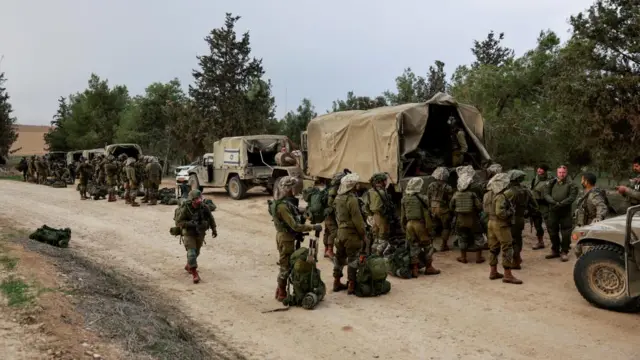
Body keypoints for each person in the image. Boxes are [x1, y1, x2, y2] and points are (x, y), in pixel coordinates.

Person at [270, 176, 318, 301]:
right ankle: (281, 292)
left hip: (287, 237)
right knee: (285, 266)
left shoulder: (284, 203)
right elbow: (295, 226)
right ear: (288, 189)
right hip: (286, 238)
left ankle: (280, 289)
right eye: (293, 187)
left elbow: (293, 212)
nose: (295, 190)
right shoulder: (282, 206)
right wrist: (312, 227)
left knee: (288, 263)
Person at [484, 172, 522, 284]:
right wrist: (510, 212)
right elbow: (500, 212)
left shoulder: (487, 194)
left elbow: (485, 209)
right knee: (507, 247)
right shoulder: (500, 195)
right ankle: (508, 274)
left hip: (490, 222)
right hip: (500, 224)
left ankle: (493, 271)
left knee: (493, 248)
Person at [174, 189, 217, 284]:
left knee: (196, 252)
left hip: (200, 233)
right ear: (192, 200)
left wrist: (214, 229)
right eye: (196, 198)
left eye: (199, 198)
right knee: (191, 253)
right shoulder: (186, 209)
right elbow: (178, 222)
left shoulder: (204, 207)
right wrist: (190, 224)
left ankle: (189, 265)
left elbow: (210, 218)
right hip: (189, 233)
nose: (199, 200)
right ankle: (194, 274)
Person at [334, 173, 367, 294]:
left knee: (339, 258)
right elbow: (357, 220)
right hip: (351, 234)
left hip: (340, 232)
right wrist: (363, 235)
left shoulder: (338, 198)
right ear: (352, 186)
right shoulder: (352, 200)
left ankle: (336, 282)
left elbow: (336, 216)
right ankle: (351, 285)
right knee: (353, 259)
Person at [401, 177, 441, 277]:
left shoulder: (404, 198)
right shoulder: (423, 198)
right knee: (428, 246)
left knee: (413, 246)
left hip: (409, 224)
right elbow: (426, 214)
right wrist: (430, 228)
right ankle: (429, 267)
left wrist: (403, 227)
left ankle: (414, 269)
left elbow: (403, 216)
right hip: (420, 224)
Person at [543, 165, 579, 262]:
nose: (561, 174)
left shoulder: (572, 184)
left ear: (566, 173)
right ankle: (555, 250)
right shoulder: (552, 182)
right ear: (557, 173)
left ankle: (564, 251)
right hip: (553, 211)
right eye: (560, 172)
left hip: (565, 212)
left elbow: (572, 197)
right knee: (552, 231)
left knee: (566, 233)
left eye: (563, 172)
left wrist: (561, 204)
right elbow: (546, 194)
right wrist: (554, 202)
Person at [505, 170, 538, 269]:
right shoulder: (526, 190)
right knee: (518, 239)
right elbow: (535, 206)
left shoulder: (509, 192)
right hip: (521, 218)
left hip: (511, 219)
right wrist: (526, 212)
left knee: (512, 241)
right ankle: (518, 257)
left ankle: (516, 262)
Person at [450, 172, 484, 264]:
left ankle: (463, 257)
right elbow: (479, 207)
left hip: (460, 219)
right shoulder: (472, 194)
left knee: (462, 237)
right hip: (473, 219)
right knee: (478, 236)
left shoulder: (456, 194)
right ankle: (478, 257)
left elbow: (451, 206)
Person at [427, 167, 454, 251]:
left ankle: (431, 246)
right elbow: (450, 200)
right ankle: (444, 245)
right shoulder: (448, 187)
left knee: (433, 227)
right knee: (446, 227)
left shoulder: (431, 185)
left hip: (433, 208)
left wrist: (429, 209)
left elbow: (428, 197)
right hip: (443, 209)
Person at [367, 173, 394, 256]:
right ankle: (378, 256)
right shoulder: (382, 192)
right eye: (385, 180)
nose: (386, 182)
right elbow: (388, 205)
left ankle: (372, 254)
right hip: (382, 216)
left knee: (376, 238)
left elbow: (367, 205)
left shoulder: (370, 191)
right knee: (383, 237)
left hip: (374, 216)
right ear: (382, 181)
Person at [323, 172, 346, 259]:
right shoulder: (335, 189)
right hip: (330, 214)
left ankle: (326, 250)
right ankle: (329, 250)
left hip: (327, 213)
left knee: (327, 231)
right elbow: (331, 203)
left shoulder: (330, 188)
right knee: (334, 231)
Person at [530, 164, 550, 250]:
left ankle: (556, 244)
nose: (539, 170)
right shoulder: (535, 179)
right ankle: (540, 242)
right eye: (538, 168)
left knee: (550, 225)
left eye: (541, 169)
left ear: (545, 171)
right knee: (537, 224)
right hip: (535, 205)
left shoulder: (550, 180)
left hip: (545, 205)